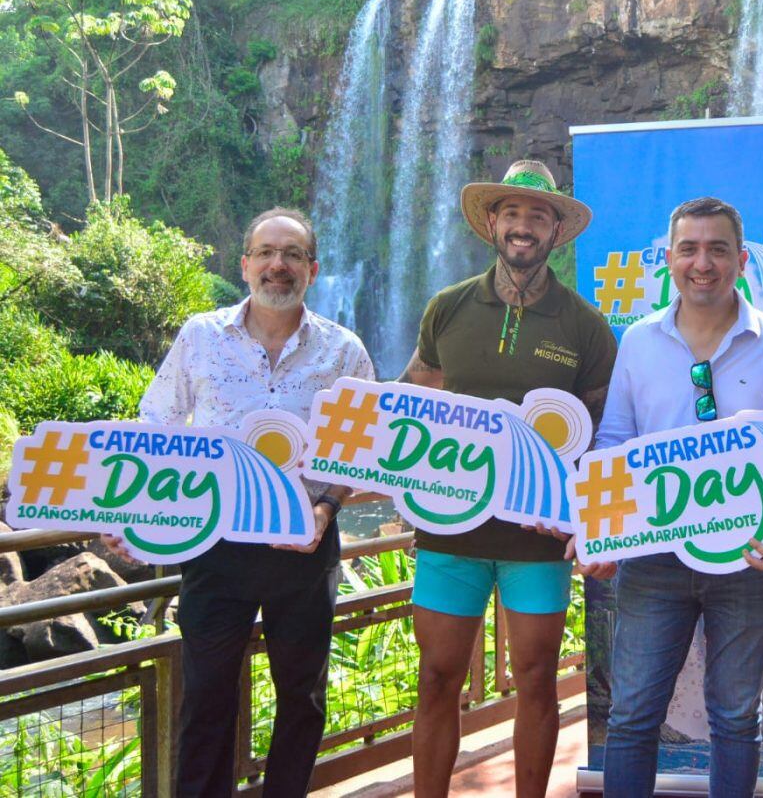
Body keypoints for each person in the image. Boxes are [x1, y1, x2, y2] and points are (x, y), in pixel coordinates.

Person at [106, 208, 375, 798]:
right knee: (205, 697)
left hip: (304, 544)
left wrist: (326, 509)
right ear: (245, 262)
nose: (279, 265)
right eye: (267, 252)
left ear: (313, 268)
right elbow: (157, 428)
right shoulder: (200, 337)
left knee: (302, 697)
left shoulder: (345, 351)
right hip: (213, 546)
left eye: (293, 255)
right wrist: (129, 513)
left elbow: (358, 453)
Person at [398, 160, 617, 798]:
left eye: (538, 215)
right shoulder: (447, 308)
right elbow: (413, 402)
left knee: (538, 677)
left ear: (556, 231)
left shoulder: (583, 324)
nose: (524, 226)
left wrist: (587, 519)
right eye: (512, 213)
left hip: (538, 539)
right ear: (491, 223)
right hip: (450, 535)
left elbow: (603, 434)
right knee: (437, 678)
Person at [594, 196, 763, 797]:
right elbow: (615, 440)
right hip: (652, 560)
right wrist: (602, 531)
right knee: (633, 715)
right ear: (669, 259)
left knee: (737, 719)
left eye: (718, 249)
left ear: (741, 260)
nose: (703, 263)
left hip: (746, 560)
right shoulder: (637, 341)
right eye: (689, 249)